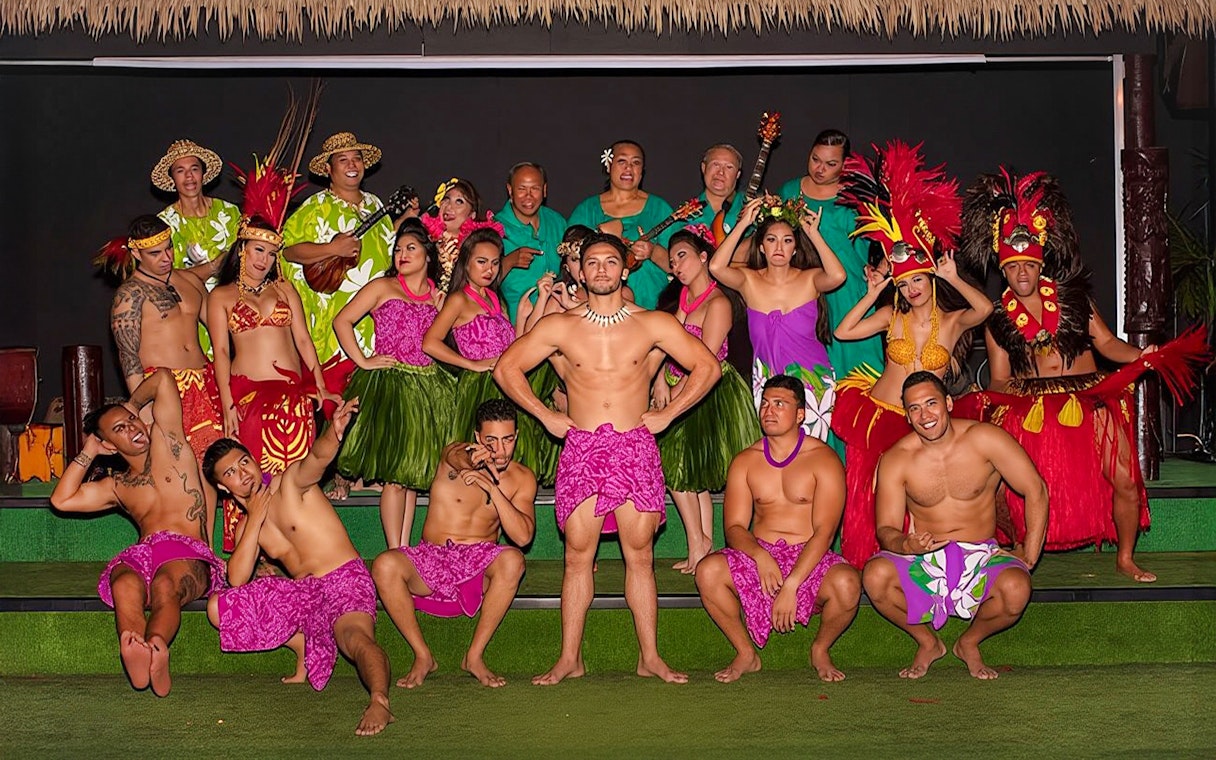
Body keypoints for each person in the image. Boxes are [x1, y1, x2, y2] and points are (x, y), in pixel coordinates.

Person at [957, 169, 1208, 583]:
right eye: (1013, 266)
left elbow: (1108, 345)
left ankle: (1125, 557)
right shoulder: (998, 318)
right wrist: (1012, 405)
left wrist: (1143, 355)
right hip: (1031, 404)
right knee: (1003, 485)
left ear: (1041, 265)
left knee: (1126, 480)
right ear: (1003, 268)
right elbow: (999, 379)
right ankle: (1016, 546)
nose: (1022, 274)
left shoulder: (1075, 298)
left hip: (1091, 397)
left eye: (1028, 266)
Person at [493, 232, 722, 685]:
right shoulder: (561, 326)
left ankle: (650, 657)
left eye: (609, 262)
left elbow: (708, 367)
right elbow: (506, 368)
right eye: (592, 262)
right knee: (577, 556)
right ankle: (569, 659)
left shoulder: (652, 322)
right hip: (581, 448)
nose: (600, 269)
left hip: (634, 447)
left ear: (624, 269)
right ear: (579, 270)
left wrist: (667, 414)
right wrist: (544, 417)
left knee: (639, 556)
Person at [831, 141, 993, 569]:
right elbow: (843, 331)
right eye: (904, 284)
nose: (911, 289)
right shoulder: (891, 314)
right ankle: (870, 562)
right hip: (883, 412)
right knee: (870, 490)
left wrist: (954, 278)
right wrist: (873, 293)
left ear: (929, 278)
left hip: (928, 418)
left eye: (917, 280)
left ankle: (922, 560)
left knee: (920, 490)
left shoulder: (954, 319)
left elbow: (985, 310)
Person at [203, 399, 394, 736]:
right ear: (222, 487)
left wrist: (333, 433)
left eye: (243, 462)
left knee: (355, 638)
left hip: (343, 580)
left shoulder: (288, 484)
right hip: (305, 593)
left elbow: (316, 460)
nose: (242, 473)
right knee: (219, 607)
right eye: (230, 473)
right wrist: (256, 515)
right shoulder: (245, 527)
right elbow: (236, 578)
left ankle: (379, 700)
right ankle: (307, 644)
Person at [49, 369, 226, 697]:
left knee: (164, 584)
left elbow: (162, 379)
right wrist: (90, 448)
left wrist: (130, 406)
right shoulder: (118, 486)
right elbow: (61, 499)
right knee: (124, 581)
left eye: (132, 420)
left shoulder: (169, 442)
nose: (132, 427)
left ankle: (157, 645)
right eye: (120, 429)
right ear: (109, 445)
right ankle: (134, 644)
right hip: (144, 553)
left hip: (187, 552)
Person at [864, 372, 1047, 679]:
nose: (925, 415)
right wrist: (907, 545)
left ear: (948, 402)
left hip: (981, 554)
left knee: (1016, 590)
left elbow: (1035, 488)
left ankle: (969, 642)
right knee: (874, 576)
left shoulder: (985, 438)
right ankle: (928, 642)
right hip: (923, 558)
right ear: (907, 416)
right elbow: (886, 529)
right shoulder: (897, 459)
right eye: (915, 408)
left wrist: (1030, 554)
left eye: (931, 403)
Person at [695, 375, 860, 683]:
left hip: (809, 555)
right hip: (762, 553)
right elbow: (733, 527)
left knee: (848, 584)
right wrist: (760, 556)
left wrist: (792, 584)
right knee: (707, 572)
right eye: (765, 403)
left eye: (780, 404)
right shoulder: (746, 461)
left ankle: (820, 649)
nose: (769, 411)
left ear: (801, 414)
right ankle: (746, 653)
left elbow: (825, 532)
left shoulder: (823, 459)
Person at [372, 399, 536, 688]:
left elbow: (523, 536)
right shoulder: (453, 454)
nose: (500, 450)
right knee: (385, 564)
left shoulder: (522, 478)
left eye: (508, 440)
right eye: (491, 441)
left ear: (516, 437)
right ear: (476, 437)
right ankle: (423, 655)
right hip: (431, 557)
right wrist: (475, 462)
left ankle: (474, 656)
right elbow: (458, 457)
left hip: (478, 562)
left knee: (513, 561)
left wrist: (493, 490)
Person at [207, 215, 337, 549]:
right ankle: (258, 552)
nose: (264, 260)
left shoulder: (285, 289)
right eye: (258, 250)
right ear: (242, 249)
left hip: (292, 397)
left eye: (270, 253)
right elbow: (220, 352)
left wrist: (319, 384)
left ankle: (302, 545)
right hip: (248, 397)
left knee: (296, 476)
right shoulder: (220, 297)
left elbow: (305, 342)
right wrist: (227, 404)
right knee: (253, 477)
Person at [333, 219, 455, 548]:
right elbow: (341, 320)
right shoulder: (382, 287)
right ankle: (394, 550)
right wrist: (363, 360)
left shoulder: (438, 296)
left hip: (428, 388)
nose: (402, 254)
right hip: (390, 387)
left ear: (428, 255)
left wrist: (444, 310)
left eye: (411, 248)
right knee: (394, 477)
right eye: (398, 249)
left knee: (412, 475)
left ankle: (405, 549)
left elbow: (444, 341)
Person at [653, 226, 761, 573]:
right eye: (671, 261)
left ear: (703, 258)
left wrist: (674, 400)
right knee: (687, 473)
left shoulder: (719, 303)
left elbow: (707, 360)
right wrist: (658, 379)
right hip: (678, 382)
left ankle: (700, 543)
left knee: (680, 470)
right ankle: (700, 542)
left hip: (708, 391)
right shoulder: (684, 299)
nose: (676, 265)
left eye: (682, 256)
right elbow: (667, 345)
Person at [423, 227, 559, 485]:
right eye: (482, 262)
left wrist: (532, 308)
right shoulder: (459, 300)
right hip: (480, 388)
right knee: (479, 464)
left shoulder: (496, 298)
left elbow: (515, 345)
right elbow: (430, 343)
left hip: (506, 382)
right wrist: (470, 364)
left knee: (512, 462)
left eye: (495, 263)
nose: (490, 269)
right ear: (466, 263)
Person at [709, 195, 846, 442]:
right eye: (771, 240)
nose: (779, 248)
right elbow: (716, 267)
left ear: (795, 248)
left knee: (809, 453)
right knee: (774, 452)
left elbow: (837, 276)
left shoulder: (810, 279)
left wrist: (813, 233)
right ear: (761, 246)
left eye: (787, 241)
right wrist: (743, 224)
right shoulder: (749, 280)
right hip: (767, 379)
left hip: (812, 380)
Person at [98, 215, 224, 463]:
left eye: (169, 248)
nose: (166, 258)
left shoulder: (190, 281)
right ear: (136, 253)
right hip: (165, 391)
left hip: (206, 385)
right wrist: (142, 410)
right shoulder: (129, 295)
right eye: (156, 253)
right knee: (180, 472)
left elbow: (221, 333)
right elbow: (128, 357)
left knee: (216, 465)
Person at [281, 132, 398, 396]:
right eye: (343, 160)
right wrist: (331, 249)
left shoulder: (375, 204)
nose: (352, 165)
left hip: (376, 322)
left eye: (356, 159)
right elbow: (287, 252)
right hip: (332, 320)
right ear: (328, 169)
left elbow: (387, 252)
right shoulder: (315, 207)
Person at [778, 129, 884, 385]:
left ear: (845, 165)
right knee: (811, 378)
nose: (820, 168)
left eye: (830, 164)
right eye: (815, 159)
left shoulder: (858, 196)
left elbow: (890, 241)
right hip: (805, 294)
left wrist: (880, 270)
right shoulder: (791, 191)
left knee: (859, 373)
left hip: (850, 294)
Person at [152, 138, 241, 356]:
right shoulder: (163, 223)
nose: (189, 176)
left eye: (194, 169)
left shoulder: (229, 212)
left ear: (203, 173)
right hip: (188, 320)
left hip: (235, 313)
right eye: (180, 171)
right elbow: (162, 279)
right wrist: (215, 266)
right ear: (172, 178)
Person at [567, 140, 674, 310]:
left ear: (642, 171)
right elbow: (570, 258)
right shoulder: (587, 210)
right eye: (622, 161)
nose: (629, 168)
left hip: (651, 304)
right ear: (608, 165)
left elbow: (679, 264)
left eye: (636, 162)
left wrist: (652, 252)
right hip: (598, 308)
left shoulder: (659, 209)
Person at [495, 163, 568, 323]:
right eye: (522, 189)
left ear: (544, 190)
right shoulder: (494, 227)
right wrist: (508, 262)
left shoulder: (557, 221)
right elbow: (475, 284)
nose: (528, 196)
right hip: (516, 324)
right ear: (510, 190)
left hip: (558, 317)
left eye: (535, 188)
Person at [683, 144, 746, 236]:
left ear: (737, 174)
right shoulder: (685, 213)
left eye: (729, 167)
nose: (721, 172)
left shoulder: (751, 206)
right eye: (716, 164)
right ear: (703, 168)